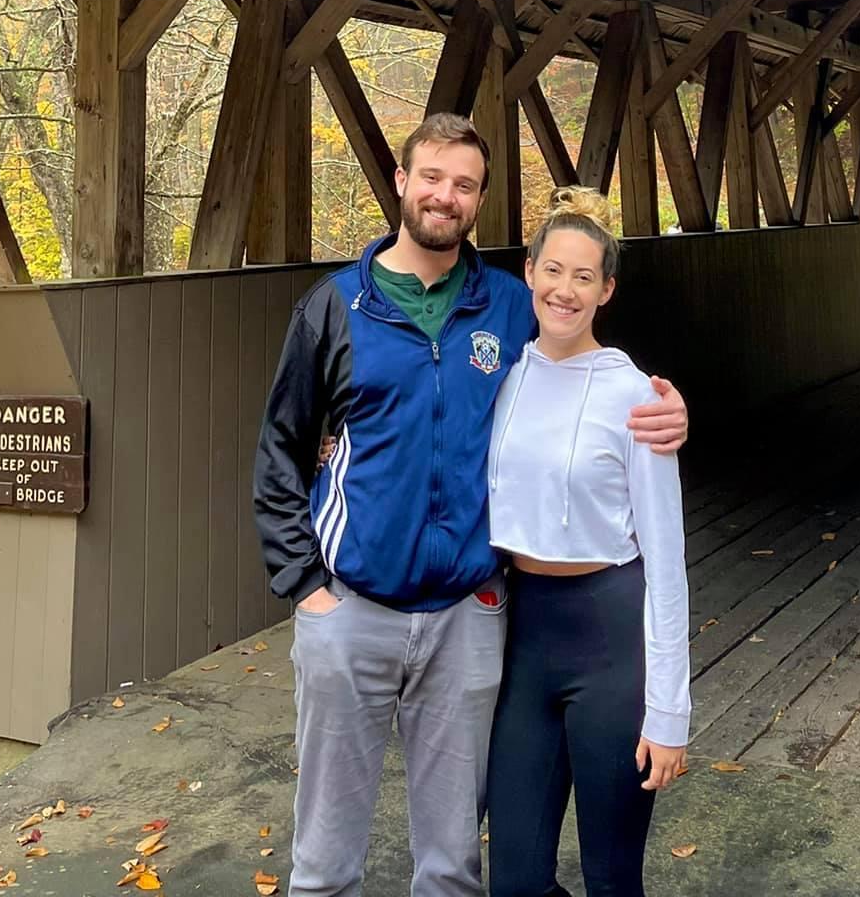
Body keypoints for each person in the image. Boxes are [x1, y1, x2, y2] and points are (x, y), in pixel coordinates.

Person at [253, 114, 688, 897]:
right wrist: (305, 584)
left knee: (454, 864)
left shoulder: (507, 307)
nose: (444, 196)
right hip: (351, 607)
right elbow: (281, 444)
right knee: (322, 863)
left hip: (467, 615)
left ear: (480, 200)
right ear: (400, 181)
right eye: (431, 177)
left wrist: (667, 408)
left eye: (463, 184)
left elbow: (581, 358)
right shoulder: (334, 306)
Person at [484, 187, 690, 897]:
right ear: (528, 271)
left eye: (583, 277)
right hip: (523, 634)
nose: (563, 291)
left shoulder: (636, 396)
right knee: (514, 879)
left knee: (611, 876)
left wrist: (670, 712)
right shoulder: (502, 377)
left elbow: (666, 564)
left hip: (610, 642)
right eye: (552, 271)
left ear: (605, 290)